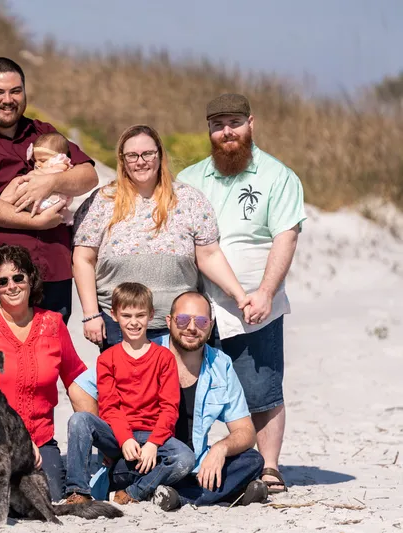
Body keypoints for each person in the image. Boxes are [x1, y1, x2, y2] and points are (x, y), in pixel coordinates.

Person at [177, 93, 306, 493]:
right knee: (188, 386)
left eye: (234, 122)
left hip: (256, 303)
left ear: (251, 123)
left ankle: (268, 468)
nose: (226, 131)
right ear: (209, 130)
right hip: (201, 305)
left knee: (261, 387)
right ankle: (186, 461)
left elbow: (285, 237)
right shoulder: (190, 178)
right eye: (218, 125)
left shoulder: (277, 176)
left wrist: (266, 292)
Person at [73, 124, 251, 355]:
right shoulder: (101, 201)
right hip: (120, 324)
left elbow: (209, 255)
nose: (140, 161)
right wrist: (91, 315)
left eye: (148, 153)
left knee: (179, 391)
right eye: (132, 156)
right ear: (122, 160)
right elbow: (83, 259)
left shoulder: (189, 199)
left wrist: (240, 295)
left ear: (159, 155)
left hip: (180, 324)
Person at [0, 57, 99, 322]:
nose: (8, 99)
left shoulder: (43, 132)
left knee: (51, 359)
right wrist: (36, 221)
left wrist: (50, 182)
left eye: (15, 91)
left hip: (52, 272)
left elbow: (89, 174)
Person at [0, 244, 97, 501]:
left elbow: (74, 378)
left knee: (46, 497)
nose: (12, 286)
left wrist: (99, 436)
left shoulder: (53, 323)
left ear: (31, 279)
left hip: (41, 439)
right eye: (2, 281)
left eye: (18, 278)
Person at [63, 283, 194, 511]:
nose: (134, 322)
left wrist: (154, 443)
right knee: (80, 420)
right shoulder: (107, 359)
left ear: (151, 315)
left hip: (154, 435)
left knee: (185, 458)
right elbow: (110, 407)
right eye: (126, 315)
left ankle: (134, 492)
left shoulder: (164, 358)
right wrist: (124, 439)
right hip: (117, 434)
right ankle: (78, 492)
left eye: (140, 315)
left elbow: (170, 407)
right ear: (114, 315)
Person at [157, 291, 267, 508]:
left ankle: (180, 497)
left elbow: (246, 431)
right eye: (182, 319)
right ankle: (226, 494)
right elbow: (91, 391)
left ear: (211, 325)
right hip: (154, 460)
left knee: (253, 460)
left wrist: (220, 449)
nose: (191, 327)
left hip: (196, 464)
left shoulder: (220, 364)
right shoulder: (145, 353)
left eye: (201, 321)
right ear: (169, 321)